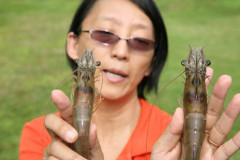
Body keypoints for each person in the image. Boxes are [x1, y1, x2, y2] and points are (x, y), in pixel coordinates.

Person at [19, 0, 240, 159]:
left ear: (153, 62)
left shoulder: (173, 138)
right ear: (73, 44)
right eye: (105, 34)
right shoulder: (38, 135)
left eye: (140, 42)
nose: (121, 51)